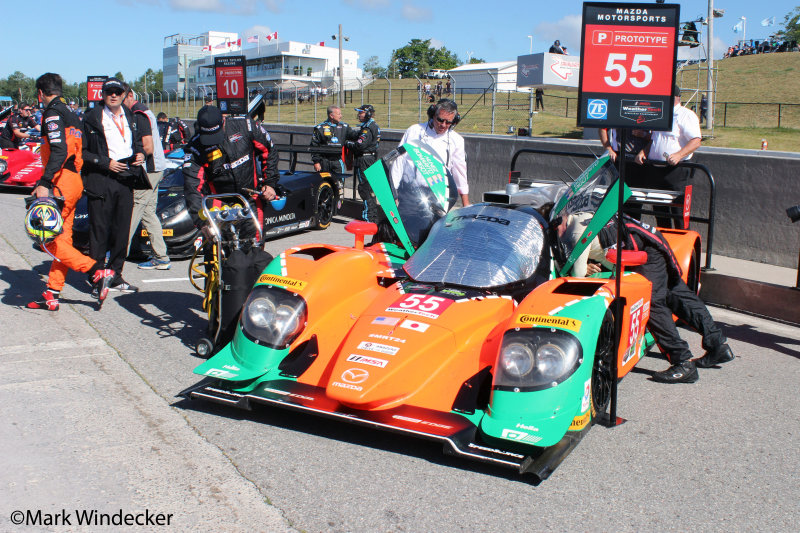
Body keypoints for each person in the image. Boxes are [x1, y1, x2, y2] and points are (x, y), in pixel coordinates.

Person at [559, 213, 734, 383]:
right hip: (652, 241)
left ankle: (682, 362)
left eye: (555, 228)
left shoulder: (576, 231)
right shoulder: (583, 215)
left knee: (650, 304)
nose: (556, 233)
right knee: (676, 293)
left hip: (641, 253)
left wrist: (586, 266)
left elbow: (578, 275)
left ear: (561, 221)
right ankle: (717, 345)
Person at [26, 72, 115, 311]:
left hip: (60, 181)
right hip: (73, 181)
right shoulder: (72, 114)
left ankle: (96, 270)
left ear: (40, 93)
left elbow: (57, 150)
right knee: (62, 239)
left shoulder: (52, 113)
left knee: (46, 239)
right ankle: (52, 292)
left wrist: (44, 182)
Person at [81, 77, 145, 296]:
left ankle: (116, 275)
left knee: (121, 231)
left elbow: (136, 143)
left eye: (118, 92)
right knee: (99, 232)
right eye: (110, 92)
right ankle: (96, 276)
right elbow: (82, 152)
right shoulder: (91, 116)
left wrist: (140, 155)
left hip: (125, 178)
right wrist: (105, 162)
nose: (114, 95)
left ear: (124, 94)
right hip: (102, 179)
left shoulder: (130, 115)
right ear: (103, 94)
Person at [182, 105, 279, 243]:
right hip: (218, 204)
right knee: (218, 250)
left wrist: (270, 183)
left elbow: (269, 151)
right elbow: (192, 187)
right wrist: (202, 222)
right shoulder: (194, 147)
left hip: (250, 199)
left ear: (223, 120)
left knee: (255, 248)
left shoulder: (246, 126)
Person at [640, 84, 702, 229]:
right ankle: (664, 245)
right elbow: (656, 138)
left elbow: (696, 141)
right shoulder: (659, 115)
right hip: (656, 169)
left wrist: (679, 155)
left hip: (677, 170)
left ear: (674, 98)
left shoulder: (686, 115)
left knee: (678, 213)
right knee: (660, 212)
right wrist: (644, 152)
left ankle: (682, 246)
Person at [122, 86, 170, 270]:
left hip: (149, 168)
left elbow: (147, 147)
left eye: (122, 97)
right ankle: (162, 257)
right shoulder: (142, 111)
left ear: (130, 96)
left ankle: (118, 254)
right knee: (148, 213)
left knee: (135, 208)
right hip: (155, 168)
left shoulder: (138, 112)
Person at [399, 98, 470, 206]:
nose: (443, 125)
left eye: (448, 122)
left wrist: (466, 203)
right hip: (411, 193)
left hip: (439, 196)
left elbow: (459, 171)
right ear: (433, 115)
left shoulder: (457, 140)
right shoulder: (414, 131)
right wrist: (394, 192)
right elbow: (399, 161)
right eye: (440, 120)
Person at [345, 104, 380, 222]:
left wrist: (346, 143)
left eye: (361, 112)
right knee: (369, 188)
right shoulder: (369, 126)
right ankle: (372, 217)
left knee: (364, 188)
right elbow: (356, 135)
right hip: (369, 159)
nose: (359, 114)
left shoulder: (368, 128)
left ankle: (368, 217)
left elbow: (360, 145)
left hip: (364, 159)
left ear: (368, 114)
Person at [310, 105, 349, 173]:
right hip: (324, 161)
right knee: (324, 182)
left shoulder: (344, 127)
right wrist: (316, 162)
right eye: (339, 114)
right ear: (331, 115)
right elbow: (314, 145)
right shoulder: (320, 128)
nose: (341, 116)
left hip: (338, 161)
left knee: (339, 183)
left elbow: (354, 137)